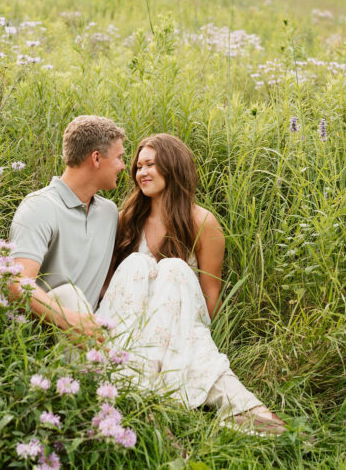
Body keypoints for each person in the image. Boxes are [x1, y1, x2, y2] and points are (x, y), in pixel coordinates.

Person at [95, 133, 286, 436]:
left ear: (174, 167)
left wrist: (198, 338)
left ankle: (144, 396)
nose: (142, 172)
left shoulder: (202, 222)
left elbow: (210, 294)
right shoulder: (125, 219)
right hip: (129, 325)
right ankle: (199, 399)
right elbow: (108, 286)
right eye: (138, 166)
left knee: (174, 270)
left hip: (181, 326)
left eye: (151, 165)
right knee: (135, 264)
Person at [7, 115, 127, 340]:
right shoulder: (39, 207)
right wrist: (70, 319)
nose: (123, 166)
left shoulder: (109, 213)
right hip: (45, 333)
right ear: (96, 158)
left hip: (93, 328)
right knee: (69, 294)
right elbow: (16, 284)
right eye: (119, 157)